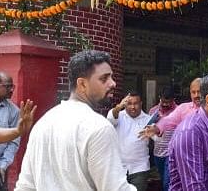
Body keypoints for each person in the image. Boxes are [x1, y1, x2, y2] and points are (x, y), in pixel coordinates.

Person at [15, 50, 136, 191]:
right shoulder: (99, 127)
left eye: (111, 77)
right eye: (104, 79)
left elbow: (25, 186)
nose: (113, 83)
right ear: (82, 84)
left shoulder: (43, 124)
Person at [138, 78, 208, 172]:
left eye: (199, 92)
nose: (196, 95)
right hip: (188, 161)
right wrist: (156, 128)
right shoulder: (183, 109)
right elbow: (168, 120)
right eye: (193, 92)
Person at [107, 91, 151, 191]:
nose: (132, 107)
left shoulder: (148, 120)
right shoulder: (119, 116)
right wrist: (119, 106)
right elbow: (109, 119)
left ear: (141, 104)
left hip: (140, 168)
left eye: (135, 103)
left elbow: (158, 138)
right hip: (119, 168)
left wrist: (156, 130)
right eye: (129, 104)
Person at [147, 86, 177, 191]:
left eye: (168, 102)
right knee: (163, 178)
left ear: (173, 100)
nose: (165, 104)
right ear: (160, 98)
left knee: (167, 183)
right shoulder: (153, 111)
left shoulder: (178, 111)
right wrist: (155, 137)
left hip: (172, 153)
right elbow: (148, 130)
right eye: (163, 101)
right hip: (158, 153)